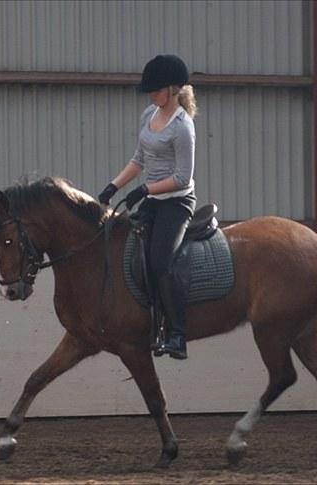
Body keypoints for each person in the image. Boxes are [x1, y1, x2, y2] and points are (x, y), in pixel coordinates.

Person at [98, 54, 197, 360]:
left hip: (177, 203)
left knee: (159, 262)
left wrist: (144, 189)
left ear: (173, 89)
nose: (151, 95)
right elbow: (139, 159)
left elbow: (183, 177)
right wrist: (113, 186)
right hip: (153, 200)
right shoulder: (149, 114)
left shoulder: (183, 126)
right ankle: (150, 326)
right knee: (128, 254)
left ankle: (178, 334)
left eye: (156, 90)